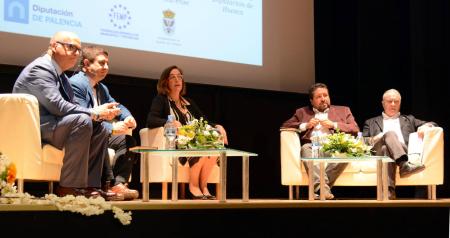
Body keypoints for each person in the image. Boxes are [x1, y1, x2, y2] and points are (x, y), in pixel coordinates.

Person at [12, 31, 121, 198]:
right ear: (54, 46)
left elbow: (73, 106)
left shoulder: (60, 75)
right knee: (83, 120)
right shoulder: (40, 68)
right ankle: (68, 187)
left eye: (79, 49)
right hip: (36, 129)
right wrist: (93, 112)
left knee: (100, 127)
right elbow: (58, 106)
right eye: (71, 47)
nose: (77, 53)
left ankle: (89, 186)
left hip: (55, 126)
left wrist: (99, 115)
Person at [146, 65, 228, 200]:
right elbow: (151, 120)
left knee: (213, 146)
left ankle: (203, 186)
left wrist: (218, 126)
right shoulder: (161, 100)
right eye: (172, 77)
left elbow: (205, 122)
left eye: (179, 77)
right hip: (176, 141)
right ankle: (193, 186)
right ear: (166, 82)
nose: (177, 80)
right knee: (198, 144)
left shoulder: (188, 102)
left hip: (193, 139)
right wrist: (168, 123)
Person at [70, 45, 139, 200]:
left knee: (128, 141)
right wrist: (112, 128)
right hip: (84, 133)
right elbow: (82, 116)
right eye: (101, 63)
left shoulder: (101, 88)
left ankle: (118, 184)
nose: (106, 67)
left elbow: (118, 106)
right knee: (102, 134)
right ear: (86, 64)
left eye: (107, 63)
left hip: (98, 131)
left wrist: (127, 117)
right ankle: (109, 184)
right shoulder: (77, 84)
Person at [281, 83, 359, 199]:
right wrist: (305, 125)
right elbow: (285, 125)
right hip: (313, 147)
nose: (323, 99)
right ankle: (323, 190)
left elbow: (355, 128)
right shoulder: (302, 112)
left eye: (325, 95)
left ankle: (319, 190)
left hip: (334, 147)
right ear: (311, 101)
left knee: (347, 152)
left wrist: (334, 124)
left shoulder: (343, 110)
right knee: (305, 148)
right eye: (319, 97)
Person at [362, 89, 433, 199]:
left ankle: (389, 192)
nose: (393, 104)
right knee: (388, 137)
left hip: (401, 149)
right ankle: (403, 165)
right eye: (390, 101)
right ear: (383, 103)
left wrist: (425, 126)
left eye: (396, 101)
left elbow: (432, 123)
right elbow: (364, 141)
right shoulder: (370, 122)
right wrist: (377, 137)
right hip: (377, 151)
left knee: (387, 149)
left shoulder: (409, 119)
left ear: (400, 103)